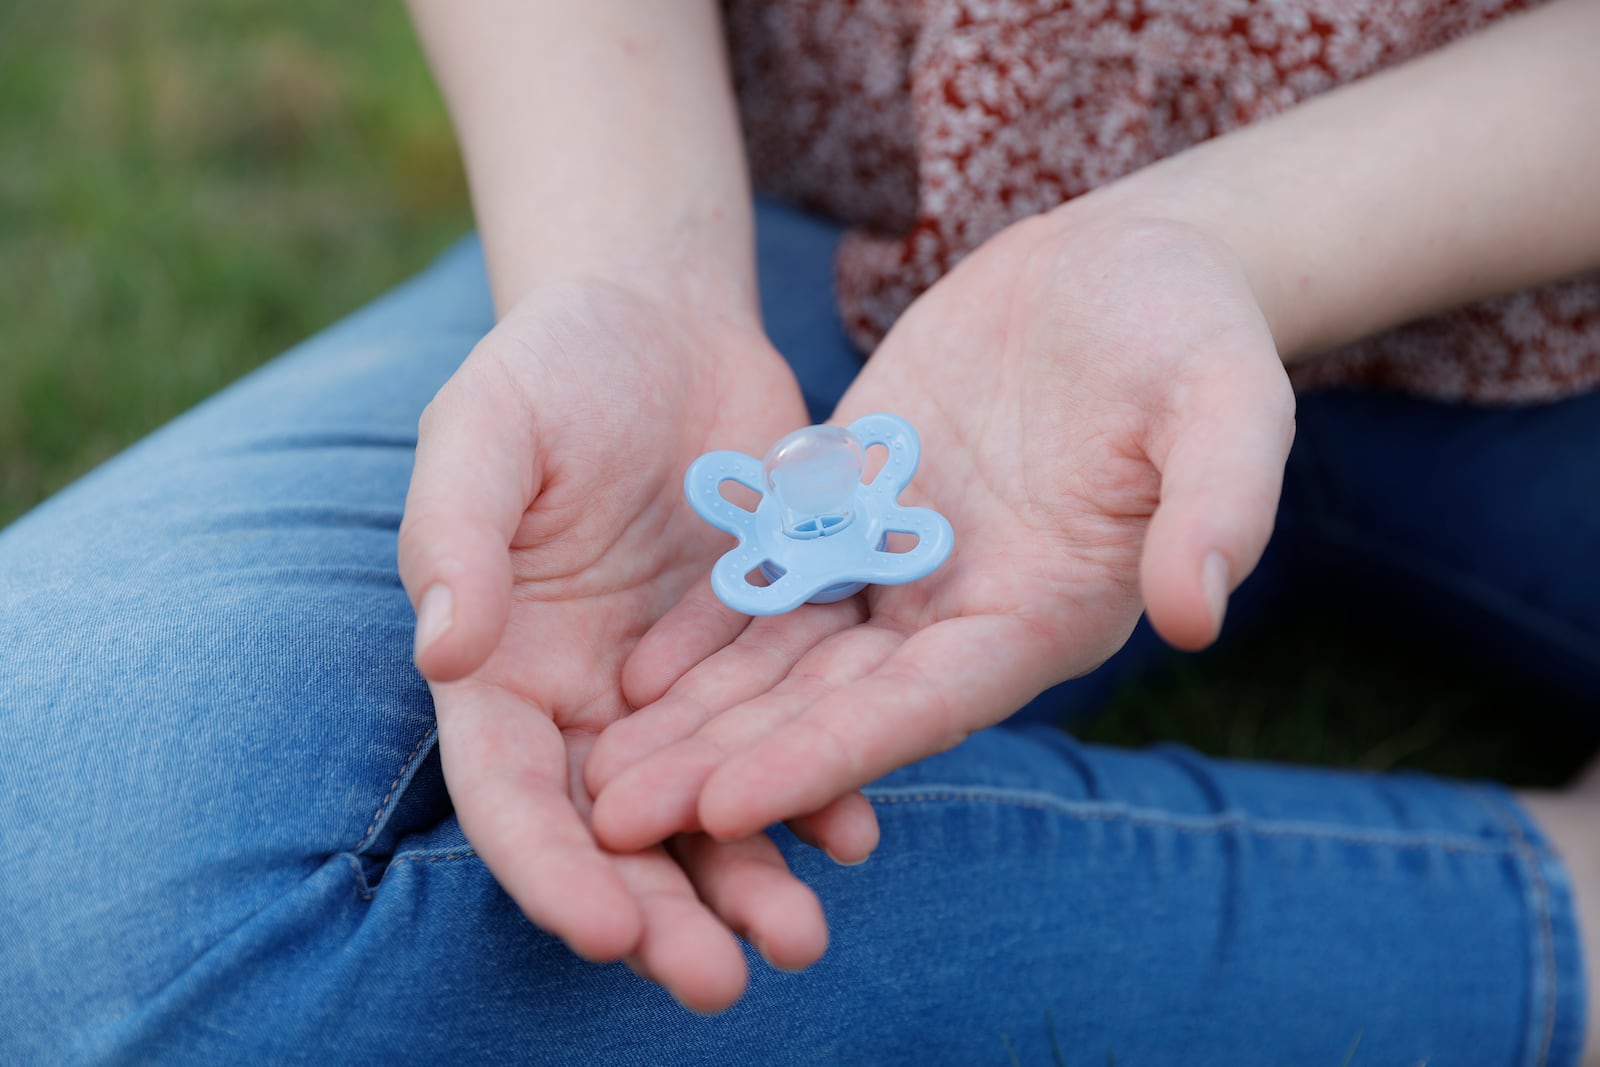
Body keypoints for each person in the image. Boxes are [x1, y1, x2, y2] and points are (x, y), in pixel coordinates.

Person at [3, 0, 1599, 1062]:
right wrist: (631, 270)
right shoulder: (760, 446)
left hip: (1559, 312)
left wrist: (1220, 239)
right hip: (840, 250)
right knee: (76, 865)